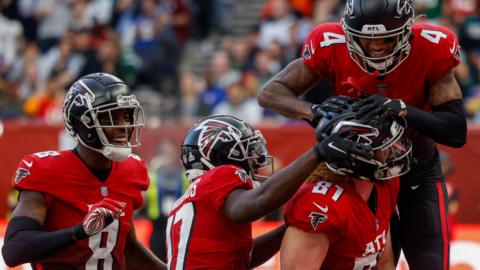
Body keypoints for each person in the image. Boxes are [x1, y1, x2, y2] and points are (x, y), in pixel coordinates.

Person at [258, 0, 467, 268]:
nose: (377, 46)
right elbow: (269, 93)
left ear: (406, 31)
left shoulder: (430, 47)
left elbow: (455, 130)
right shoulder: (330, 43)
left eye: (386, 38)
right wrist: (314, 111)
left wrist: (402, 110)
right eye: (367, 39)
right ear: (349, 32)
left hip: (416, 167)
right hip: (358, 175)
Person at [1, 73, 166, 269]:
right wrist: (77, 232)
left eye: (126, 115)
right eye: (112, 117)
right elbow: (13, 250)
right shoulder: (46, 171)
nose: (124, 126)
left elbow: (127, 248)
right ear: (82, 124)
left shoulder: (132, 170)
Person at [166, 113, 373, 269]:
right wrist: (317, 153)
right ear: (220, 154)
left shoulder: (187, 203)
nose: (255, 159)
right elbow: (258, 202)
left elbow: (243, 257)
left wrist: (293, 226)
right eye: (246, 149)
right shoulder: (220, 176)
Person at [281, 106, 412, 269]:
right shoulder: (320, 205)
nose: (396, 152)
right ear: (360, 152)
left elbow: (384, 262)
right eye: (387, 146)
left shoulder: (384, 186)